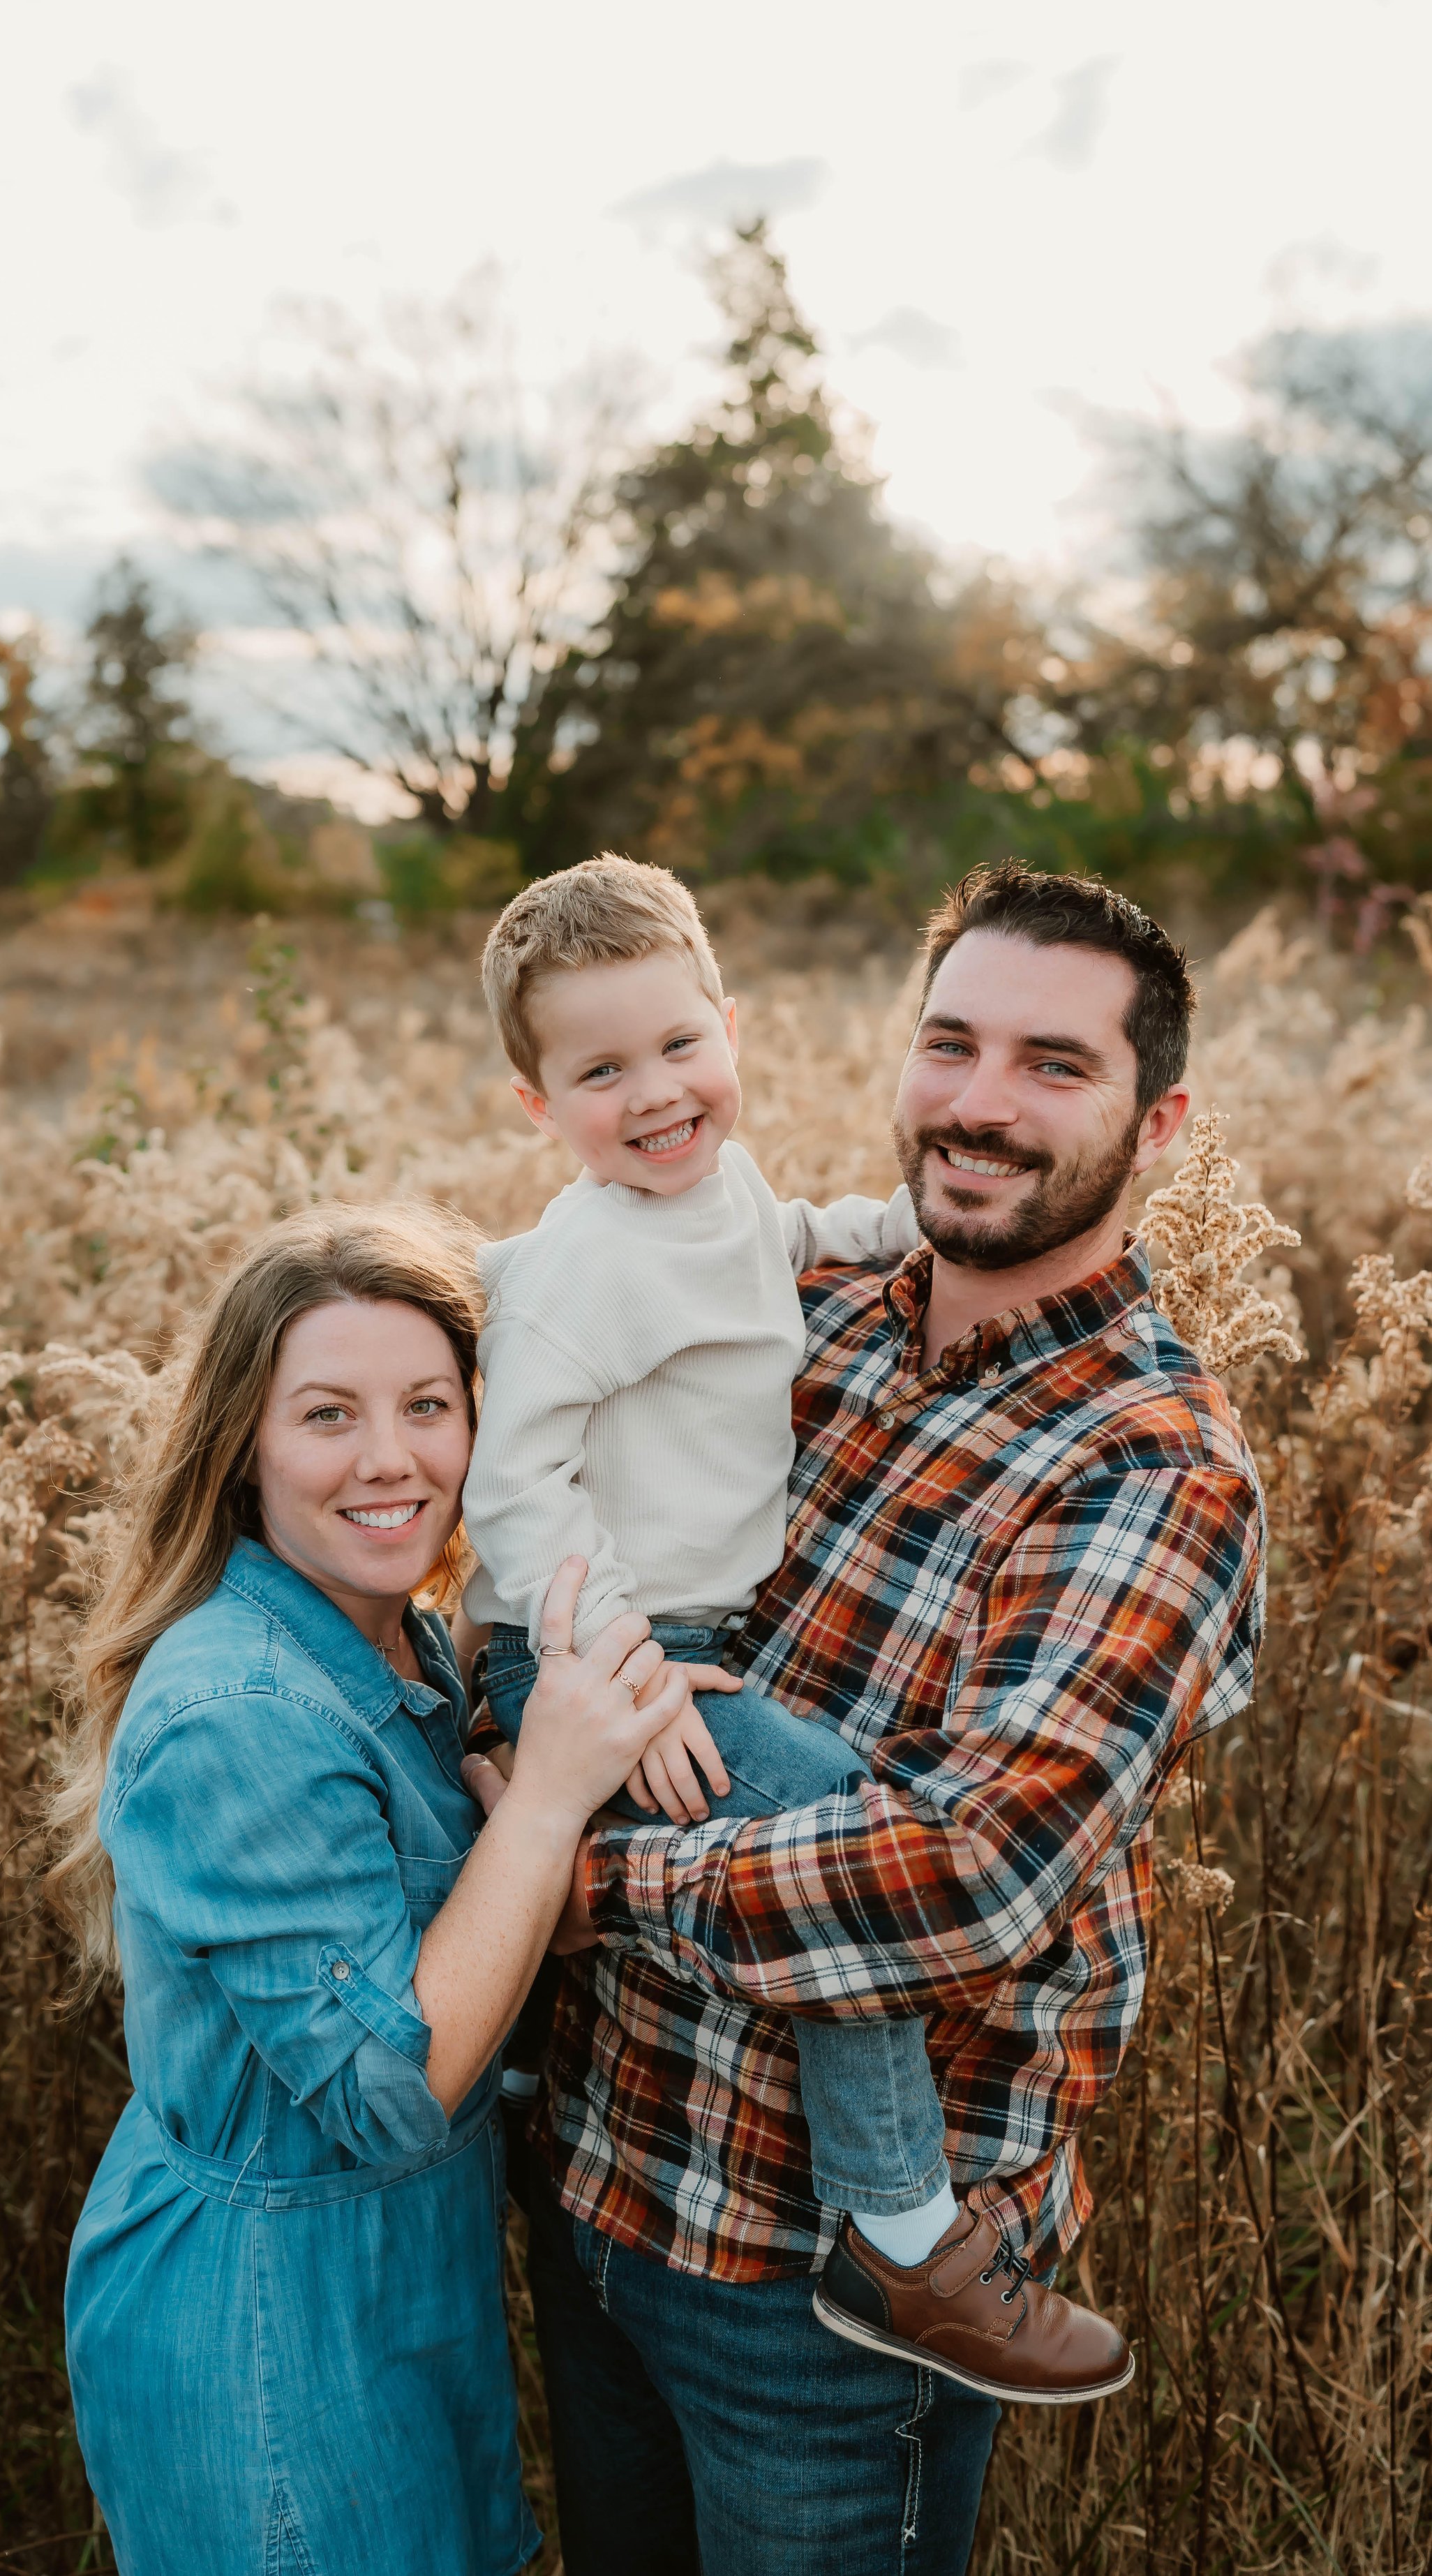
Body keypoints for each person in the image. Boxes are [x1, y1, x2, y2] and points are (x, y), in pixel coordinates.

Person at [524, 863, 1265, 2576]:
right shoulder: (812, 1319)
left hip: (825, 2311)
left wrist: (573, 1881)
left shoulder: (1146, 1469)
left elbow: (964, 1877)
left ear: (1157, 1125)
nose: (980, 1104)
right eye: (950, 1044)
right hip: (600, 2189)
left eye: (1052, 1066)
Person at [461, 855, 1124, 2399]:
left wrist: (908, 1219)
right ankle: (898, 2234)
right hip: (593, 1652)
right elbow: (513, 1494)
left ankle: (510, 2069)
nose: (655, 1094)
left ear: (730, 1026)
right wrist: (614, 1672)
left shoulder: (715, 1195)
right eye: (599, 1070)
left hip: (673, 1636)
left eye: (680, 1046)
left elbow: (785, 1242)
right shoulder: (586, 1265)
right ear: (532, 1103)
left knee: (812, 1831)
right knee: (839, 1829)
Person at [53, 1207, 693, 2576]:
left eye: (426, 1405)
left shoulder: (387, 1636)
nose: (390, 1458)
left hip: (402, 2286)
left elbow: (430, 1932)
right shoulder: (237, 1709)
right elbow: (385, 2087)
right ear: (244, 1449)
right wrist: (544, 1797)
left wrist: (539, 1878)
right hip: (271, 2331)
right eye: (327, 1415)